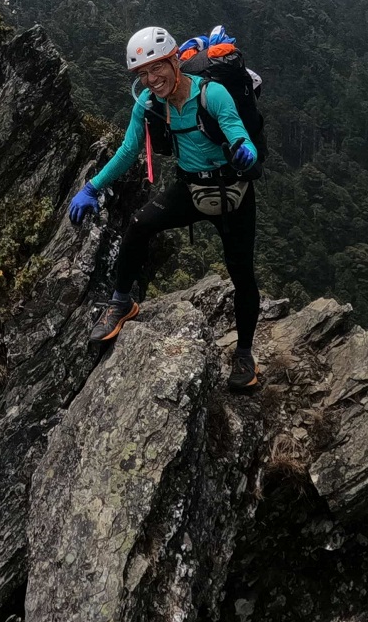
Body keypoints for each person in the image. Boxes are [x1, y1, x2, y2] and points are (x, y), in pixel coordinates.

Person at [67, 25, 262, 392]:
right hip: (190, 187)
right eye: (143, 73)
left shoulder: (212, 94)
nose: (151, 78)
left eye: (157, 67)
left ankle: (245, 355)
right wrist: (92, 187)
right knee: (139, 225)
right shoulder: (147, 104)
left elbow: (238, 133)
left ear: (175, 60)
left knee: (242, 275)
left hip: (231, 190)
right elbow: (128, 151)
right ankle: (122, 303)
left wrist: (244, 150)